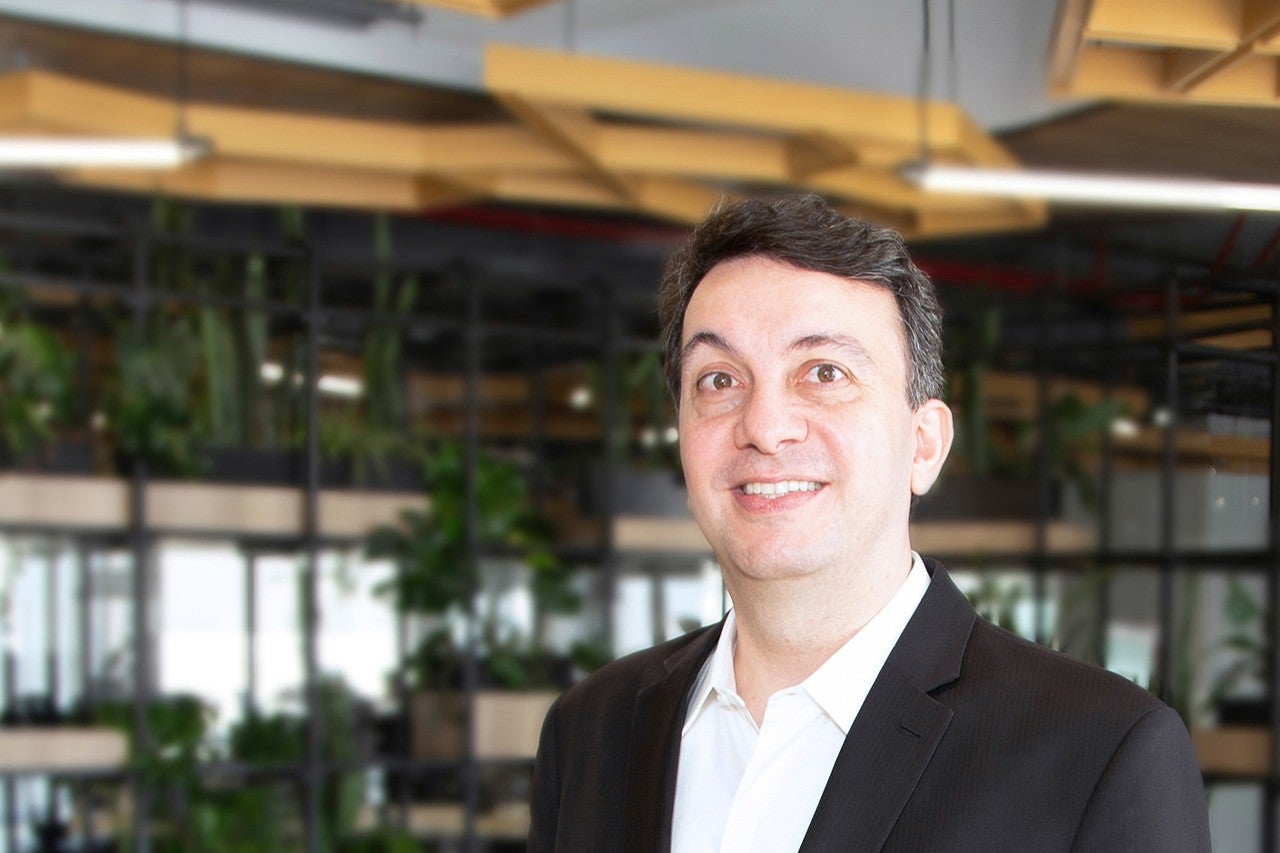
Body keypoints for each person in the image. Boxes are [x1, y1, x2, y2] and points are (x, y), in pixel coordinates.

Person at [528, 194, 1210, 852]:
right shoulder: (591, 732)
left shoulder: (1101, 754)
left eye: (824, 372)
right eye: (719, 379)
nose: (764, 426)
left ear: (924, 445)